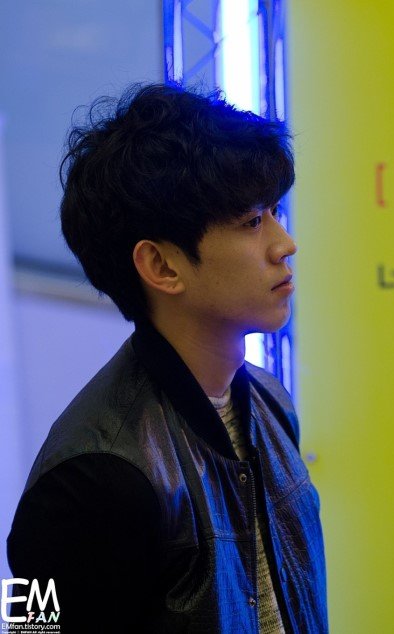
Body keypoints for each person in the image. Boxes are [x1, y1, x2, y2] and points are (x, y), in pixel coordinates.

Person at [7, 83, 328, 633]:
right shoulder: (88, 477)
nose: (285, 243)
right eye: (252, 222)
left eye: (274, 210)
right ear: (161, 266)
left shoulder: (271, 401)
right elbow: (33, 625)